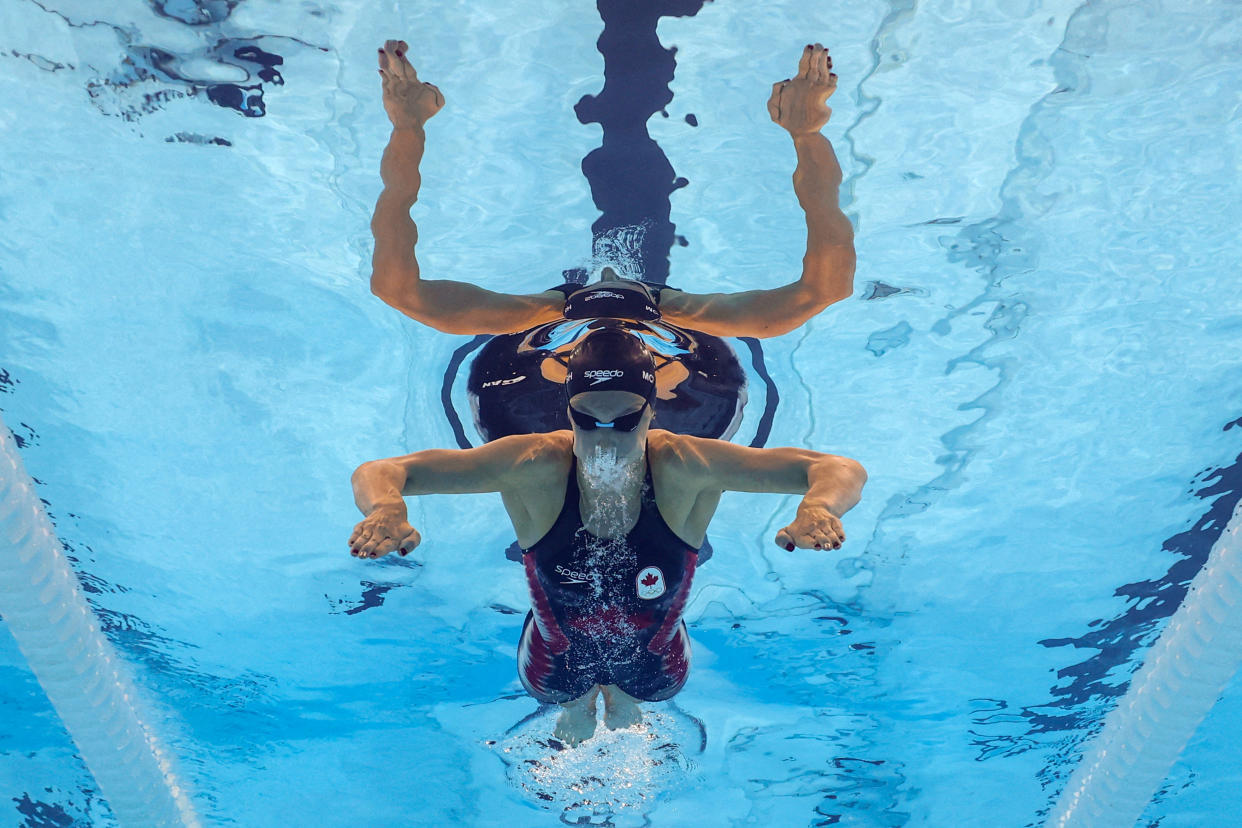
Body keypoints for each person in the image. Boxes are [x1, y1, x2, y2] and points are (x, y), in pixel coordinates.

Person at [349, 326, 866, 745]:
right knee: (569, 708)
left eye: (624, 421)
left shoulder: (686, 464)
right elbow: (385, 469)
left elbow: (837, 467)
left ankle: (622, 701)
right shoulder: (533, 464)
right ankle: (578, 709)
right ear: (567, 411)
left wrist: (818, 504)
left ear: (652, 411)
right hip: (554, 663)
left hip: (656, 664)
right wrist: (388, 506)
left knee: (631, 709)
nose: (604, 438)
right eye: (586, 420)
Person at [370, 40, 854, 340]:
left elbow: (398, 291)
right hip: (657, 285)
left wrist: (407, 130)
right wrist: (807, 134)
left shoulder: (540, 313)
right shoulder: (681, 314)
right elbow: (826, 287)